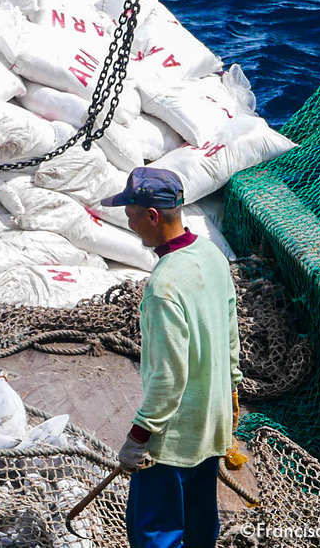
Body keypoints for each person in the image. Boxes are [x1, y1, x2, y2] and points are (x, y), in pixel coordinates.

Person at [103, 166, 242, 548]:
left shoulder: (163, 287)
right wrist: (231, 396)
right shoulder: (211, 254)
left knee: (155, 536)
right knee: (199, 530)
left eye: (130, 214)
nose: (129, 224)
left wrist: (138, 437)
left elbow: (168, 379)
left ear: (151, 216)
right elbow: (231, 334)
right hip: (212, 427)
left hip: (173, 440)